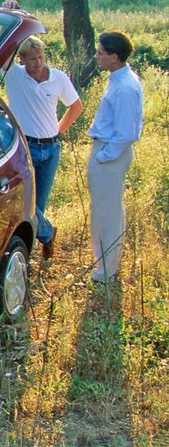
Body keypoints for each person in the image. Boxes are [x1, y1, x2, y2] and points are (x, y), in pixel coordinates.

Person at [1, 3, 84, 260]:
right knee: (27, 203)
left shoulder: (57, 77)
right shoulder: (14, 75)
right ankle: (46, 235)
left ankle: (40, 242)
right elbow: (2, 48)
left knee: (39, 204)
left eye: (40, 58)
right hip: (26, 147)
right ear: (22, 59)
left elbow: (76, 106)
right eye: (31, 59)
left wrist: (58, 130)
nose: (37, 63)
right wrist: (11, 15)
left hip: (51, 147)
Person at [87, 31, 143, 283]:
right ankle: (106, 265)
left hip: (110, 154)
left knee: (105, 214)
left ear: (114, 56)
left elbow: (127, 133)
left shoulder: (126, 86)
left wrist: (104, 157)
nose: (96, 56)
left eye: (100, 53)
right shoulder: (118, 79)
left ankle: (105, 271)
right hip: (106, 151)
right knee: (107, 211)